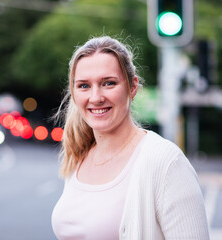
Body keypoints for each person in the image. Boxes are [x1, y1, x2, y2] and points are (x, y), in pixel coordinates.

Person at [51, 36, 210, 240]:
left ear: (132, 87)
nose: (96, 97)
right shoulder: (79, 156)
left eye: (108, 83)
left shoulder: (166, 162)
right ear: (73, 92)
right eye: (84, 86)